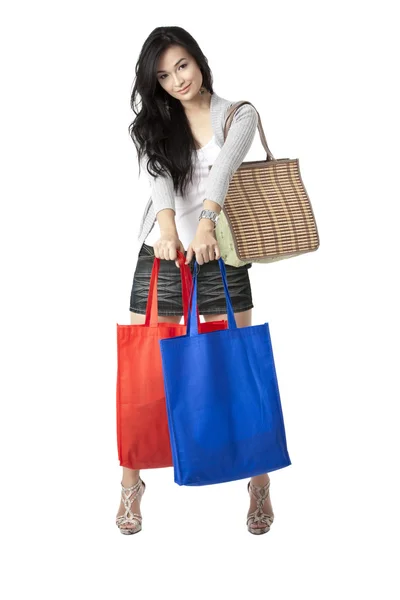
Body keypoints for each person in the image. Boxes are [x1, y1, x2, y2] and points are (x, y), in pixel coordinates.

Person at [116, 25, 274, 536]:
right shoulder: (152, 125)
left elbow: (223, 175)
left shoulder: (238, 114)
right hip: (163, 254)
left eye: (182, 65)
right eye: (163, 75)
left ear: (198, 60)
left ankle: (259, 480)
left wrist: (204, 225)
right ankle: (130, 483)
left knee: (237, 365)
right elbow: (161, 182)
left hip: (221, 252)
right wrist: (169, 233)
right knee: (146, 374)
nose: (176, 80)